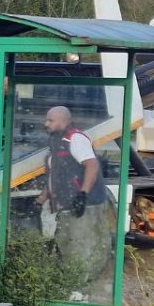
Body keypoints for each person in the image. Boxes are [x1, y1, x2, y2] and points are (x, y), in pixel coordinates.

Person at [37, 105, 111, 281]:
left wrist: (82, 194)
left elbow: (91, 165)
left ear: (64, 121)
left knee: (80, 245)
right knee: (67, 244)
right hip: (66, 204)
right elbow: (55, 175)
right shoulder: (56, 142)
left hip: (85, 204)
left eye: (50, 120)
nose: (45, 123)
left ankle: (81, 287)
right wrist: (41, 199)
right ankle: (72, 283)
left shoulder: (75, 139)